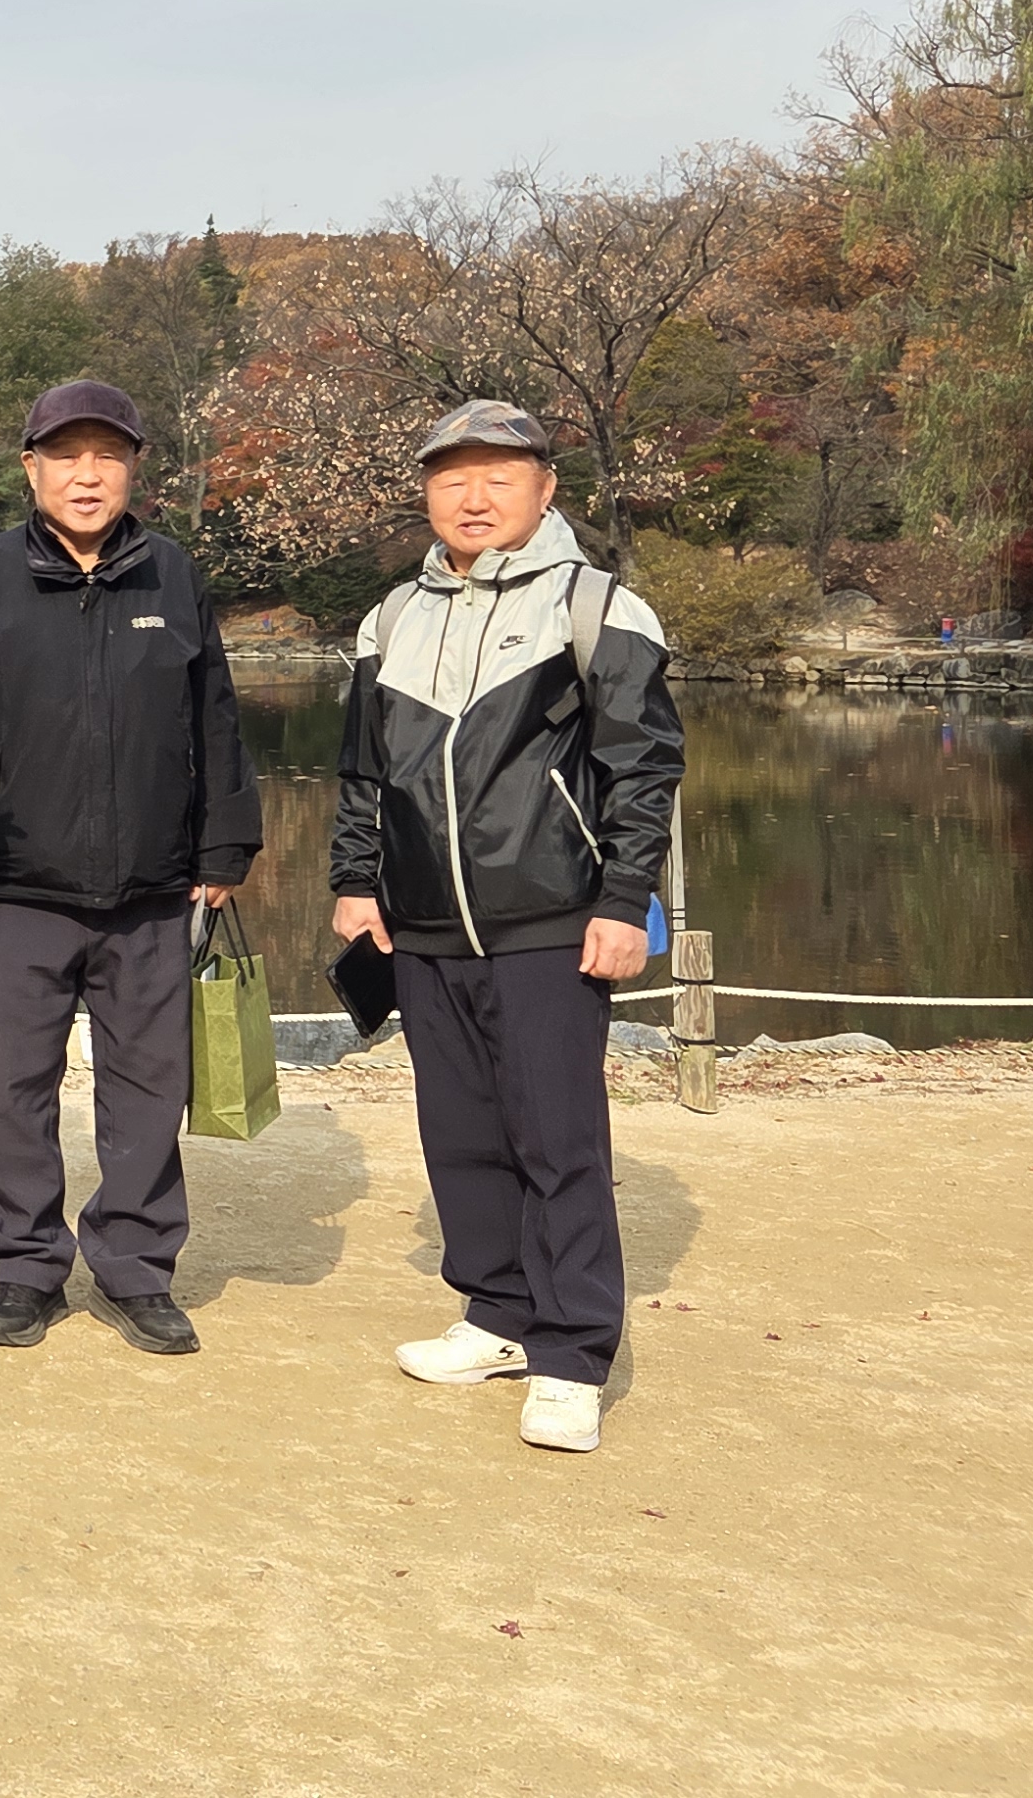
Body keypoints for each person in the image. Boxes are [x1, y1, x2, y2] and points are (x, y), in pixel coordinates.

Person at [331, 399, 681, 1454]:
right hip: (422, 924)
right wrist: (356, 882)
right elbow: (363, 771)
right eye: (452, 477)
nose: (473, 497)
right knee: (462, 1135)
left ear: (545, 487)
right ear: (427, 491)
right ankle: (496, 1314)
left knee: (557, 1139)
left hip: (550, 919)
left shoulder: (597, 607)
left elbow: (643, 770)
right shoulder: (392, 616)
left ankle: (572, 1352)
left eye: (499, 475)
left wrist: (624, 901)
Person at [0, 379, 261, 1359]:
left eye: (107, 455)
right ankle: (25, 1268)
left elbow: (215, 719)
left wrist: (225, 843)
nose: (86, 474)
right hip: (15, 884)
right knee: (12, 1087)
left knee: (147, 1087)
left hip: (153, 886)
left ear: (133, 467)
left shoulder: (170, 575)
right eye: (65, 455)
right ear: (31, 468)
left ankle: (136, 1270)